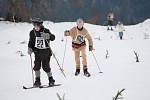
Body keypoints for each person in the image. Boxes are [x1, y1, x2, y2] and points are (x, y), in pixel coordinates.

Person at [28, 18, 55, 87]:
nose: (36, 28)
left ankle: (51, 79)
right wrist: (30, 48)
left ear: (40, 25)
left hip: (46, 52)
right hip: (37, 52)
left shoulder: (45, 31)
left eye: (37, 26)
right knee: (36, 66)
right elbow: (30, 42)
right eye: (35, 26)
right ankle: (37, 81)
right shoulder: (32, 32)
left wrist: (48, 36)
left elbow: (53, 38)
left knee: (46, 67)